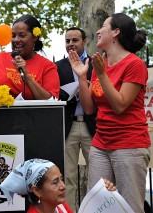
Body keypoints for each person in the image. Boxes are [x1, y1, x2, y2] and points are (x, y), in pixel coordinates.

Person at [69, 13, 151, 212]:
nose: (97, 31)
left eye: (103, 26)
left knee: (130, 207)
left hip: (129, 146)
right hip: (100, 144)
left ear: (115, 32)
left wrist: (102, 74)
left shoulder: (134, 64)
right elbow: (89, 108)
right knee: (97, 204)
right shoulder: (101, 64)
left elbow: (120, 105)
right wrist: (82, 77)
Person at [55, 27, 96, 212]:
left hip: (91, 125)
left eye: (75, 40)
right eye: (67, 41)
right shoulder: (58, 66)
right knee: (67, 177)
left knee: (98, 175)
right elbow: (54, 94)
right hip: (68, 125)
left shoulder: (95, 63)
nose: (70, 44)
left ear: (84, 41)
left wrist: (87, 88)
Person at [0, 159, 115, 213]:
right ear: (36, 190)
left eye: (62, 179)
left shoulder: (61, 206)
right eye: (55, 182)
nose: (63, 186)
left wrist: (105, 195)